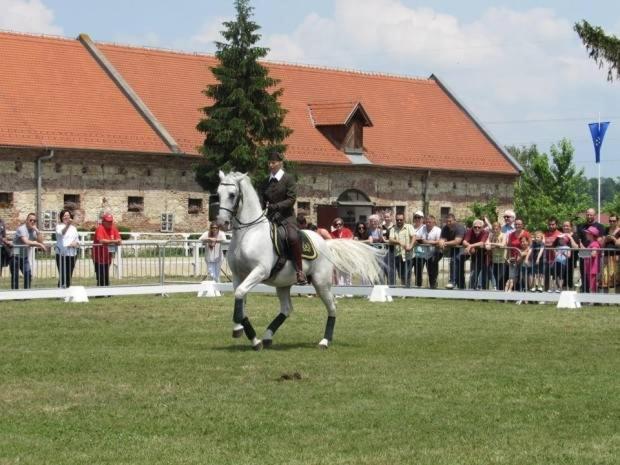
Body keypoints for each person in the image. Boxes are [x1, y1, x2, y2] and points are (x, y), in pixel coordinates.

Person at [259, 151, 307, 285]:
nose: (270, 165)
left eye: (273, 163)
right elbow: (262, 201)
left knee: (292, 237)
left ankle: (300, 271)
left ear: (280, 163)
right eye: (269, 163)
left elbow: (292, 199)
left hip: (287, 217)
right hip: (270, 218)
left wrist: (277, 206)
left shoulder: (288, 178)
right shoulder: (265, 181)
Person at [10, 213, 47, 289]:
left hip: (24, 256)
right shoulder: (21, 229)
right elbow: (26, 241)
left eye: (34, 220)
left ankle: (26, 293)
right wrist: (38, 244)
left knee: (28, 274)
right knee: (15, 276)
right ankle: (14, 294)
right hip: (15, 255)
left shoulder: (33, 231)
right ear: (26, 221)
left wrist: (37, 231)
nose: (32, 222)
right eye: (31, 220)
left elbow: (41, 241)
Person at [576, 208, 605, 292]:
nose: (589, 216)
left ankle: (594, 298)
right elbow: (579, 240)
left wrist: (585, 249)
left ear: (594, 215)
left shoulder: (600, 227)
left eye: (591, 215)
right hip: (584, 257)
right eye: (587, 214)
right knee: (584, 276)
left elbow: (597, 246)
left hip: (593, 262)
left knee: (593, 280)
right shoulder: (581, 226)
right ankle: (585, 294)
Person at [92, 213, 122, 287]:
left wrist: (116, 241)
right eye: (108, 221)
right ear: (103, 221)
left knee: (106, 274)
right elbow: (101, 241)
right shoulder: (100, 228)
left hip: (107, 257)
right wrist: (114, 241)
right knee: (100, 275)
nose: (109, 223)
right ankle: (100, 293)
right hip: (98, 257)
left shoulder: (114, 228)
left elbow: (120, 241)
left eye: (111, 221)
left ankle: (106, 291)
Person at [438, 213, 466, 289]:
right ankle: (462, 288)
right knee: (459, 269)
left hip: (464, 249)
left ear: (455, 221)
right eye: (447, 221)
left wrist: (444, 243)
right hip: (454, 249)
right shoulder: (445, 228)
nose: (448, 223)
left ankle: (452, 281)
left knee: (454, 261)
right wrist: (441, 242)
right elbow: (442, 238)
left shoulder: (459, 228)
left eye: (450, 221)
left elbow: (457, 241)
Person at [55, 209, 80, 288]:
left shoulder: (74, 228)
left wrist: (75, 244)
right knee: (63, 274)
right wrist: (68, 225)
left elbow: (77, 242)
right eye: (65, 216)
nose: (66, 217)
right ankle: (61, 292)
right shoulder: (59, 226)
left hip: (72, 254)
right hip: (61, 254)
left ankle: (67, 291)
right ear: (61, 217)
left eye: (68, 216)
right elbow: (62, 233)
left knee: (69, 274)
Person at [415, 215, 442, 288]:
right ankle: (417, 289)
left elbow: (439, 242)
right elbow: (416, 237)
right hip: (421, 254)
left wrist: (425, 242)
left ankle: (433, 290)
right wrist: (429, 242)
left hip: (432, 255)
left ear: (434, 222)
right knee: (418, 273)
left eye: (430, 222)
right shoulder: (422, 228)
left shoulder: (438, 230)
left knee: (432, 274)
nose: (427, 224)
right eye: (426, 222)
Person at [389, 213, 415, 287]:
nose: (399, 221)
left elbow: (414, 237)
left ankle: (407, 291)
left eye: (401, 219)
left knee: (407, 274)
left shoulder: (409, 227)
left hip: (408, 255)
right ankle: (404, 291)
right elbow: (390, 239)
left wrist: (410, 246)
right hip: (398, 255)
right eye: (397, 220)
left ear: (404, 219)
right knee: (401, 275)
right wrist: (399, 242)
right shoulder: (393, 229)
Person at [461, 219, 489, 290]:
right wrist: (470, 246)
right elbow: (464, 241)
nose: (477, 228)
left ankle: (485, 296)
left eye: (479, 227)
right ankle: (471, 293)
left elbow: (482, 243)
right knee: (473, 275)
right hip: (475, 257)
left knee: (484, 277)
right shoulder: (470, 231)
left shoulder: (485, 232)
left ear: (482, 227)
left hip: (485, 257)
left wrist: (470, 246)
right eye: (475, 227)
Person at [505, 219, 530, 291]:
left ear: (522, 225)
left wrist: (523, 255)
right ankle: (508, 293)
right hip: (513, 259)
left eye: (519, 224)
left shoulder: (526, 234)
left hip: (524, 259)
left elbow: (530, 247)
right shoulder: (511, 235)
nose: (517, 226)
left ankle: (526, 295)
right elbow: (509, 247)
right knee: (512, 278)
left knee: (523, 277)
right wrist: (508, 258)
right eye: (516, 224)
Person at [601, 214, 620, 293]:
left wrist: (613, 238)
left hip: (616, 257)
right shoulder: (606, 230)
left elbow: (618, 244)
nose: (612, 222)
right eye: (610, 221)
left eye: (614, 221)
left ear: (617, 221)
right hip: (606, 257)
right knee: (605, 278)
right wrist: (605, 239)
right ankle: (606, 300)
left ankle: (617, 300)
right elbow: (601, 244)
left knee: (617, 278)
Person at [542, 217, 561, 291]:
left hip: (556, 260)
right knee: (546, 278)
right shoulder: (545, 234)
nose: (551, 226)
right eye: (550, 224)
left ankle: (560, 293)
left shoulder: (560, 234)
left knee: (557, 278)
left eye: (553, 224)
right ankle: (545, 295)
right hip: (546, 260)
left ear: (556, 224)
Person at [486, 221, 506, 290]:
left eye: (497, 229)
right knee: (495, 278)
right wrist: (491, 245)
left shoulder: (504, 235)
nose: (495, 230)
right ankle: (497, 295)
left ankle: (501, 297)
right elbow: (487, 246)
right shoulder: (491, 235)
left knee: (501, 278)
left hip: (502, 260)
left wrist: (492, 244)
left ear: (500, 228)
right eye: (494, 229)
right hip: (494, 260)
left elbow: (503, 245)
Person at [581, 226, 601, 293]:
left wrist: (584, 252)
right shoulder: (591, 243)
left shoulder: (595, 244)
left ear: (591, 235)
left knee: (593, 285)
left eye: (587, 233)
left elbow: (593, 254)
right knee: (591, 285)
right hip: (589, 268)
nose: (586, 234)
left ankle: (593, 300)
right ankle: (593, 300)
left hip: (593, 269)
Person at [410, 211, 426, 287]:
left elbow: (422, 239)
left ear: (422, 219)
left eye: (419, 217)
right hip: (410, 253)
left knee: (418, 273)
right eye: (415, 217)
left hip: (420, 254)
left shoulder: (425, 228)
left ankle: (418, 289)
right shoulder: (411, 227)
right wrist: (414, 239)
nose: (417, 219)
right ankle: (407, 289)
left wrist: (413, 239)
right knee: (407, 271)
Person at [381, 209, 396, 285]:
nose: (386, 218)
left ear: (391, 217)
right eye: (385, 217)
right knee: (383, 269)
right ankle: (383, 288)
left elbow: (395, 239)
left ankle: (392, 287)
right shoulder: (381, 227)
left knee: (391, 270)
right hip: (383, 251)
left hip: (392, 251)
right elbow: (381, 238)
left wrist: (387, 241)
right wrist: (387, 241)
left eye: (388, 217)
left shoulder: (394, 227)